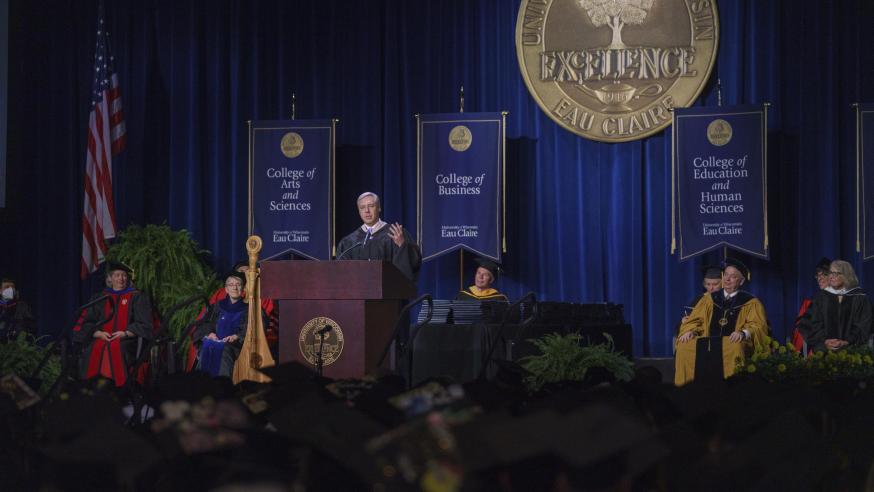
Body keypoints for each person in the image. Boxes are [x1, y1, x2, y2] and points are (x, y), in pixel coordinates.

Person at [674, 258, 769, 386]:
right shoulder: (708, 300)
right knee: (684, 345)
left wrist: (743, 333)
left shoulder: (751, 303)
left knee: (736, 346)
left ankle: (733, 390)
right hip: (708, 342)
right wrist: (690, 331)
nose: (728, 279)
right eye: (726, 275)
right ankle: (686, 391)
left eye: (733, 277)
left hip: (729, 343)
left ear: (741, 281)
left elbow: (758, 326)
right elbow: (695, 321)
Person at [72, 262, 154, 387]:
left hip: (126, 340)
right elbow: (85, 322)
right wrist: (98, 333)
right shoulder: (100, 298)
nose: (121, 279)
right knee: (93, 349)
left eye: (124, 275)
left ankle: (120, 390)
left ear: (128, 278)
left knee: (117, 348)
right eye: (117, 275)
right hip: (102, 337)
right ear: (110, 278)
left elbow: (145, 324)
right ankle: (90, 389)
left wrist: (125, 333)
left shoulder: (137, 297)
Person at [336, 192, 421, 281]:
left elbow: (413, 264)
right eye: (362, 207)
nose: (367, 211)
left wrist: (402, 246)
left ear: (379, 208)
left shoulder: (396, 233)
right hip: (358, 293)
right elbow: (340, 273)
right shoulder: (349, 242)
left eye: (371, 206)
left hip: (389, 292)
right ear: (359, 211)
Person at [192, 271, 253, 377]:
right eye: (231, 284)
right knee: (208, 345)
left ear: (243, 289)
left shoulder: (249, 308)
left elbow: (254, 329)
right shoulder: (217, 306)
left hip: (236, 346)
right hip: (215, 342)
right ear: (226, 289)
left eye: (238, 284)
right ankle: (201, 386)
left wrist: (237, 336)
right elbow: (204, 323)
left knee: (223, 349)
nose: (234, 287)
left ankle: (222, 386)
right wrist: (210, 334)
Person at [803, 260, 871, 352]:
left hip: (853, 354)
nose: (830, 276)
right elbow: (814, 325)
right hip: (825, 354)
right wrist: (825, 341)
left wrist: (847, 342)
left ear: (846, 275)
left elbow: (863, 326)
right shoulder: (821, 298)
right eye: (830, 273)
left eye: (835, 273)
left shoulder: (860, 298)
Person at [791, 257, 831, 353]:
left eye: (823, 275)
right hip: (818, 350)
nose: (819, 278)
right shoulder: (811, 302)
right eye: (817, 275)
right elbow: (801, 328)